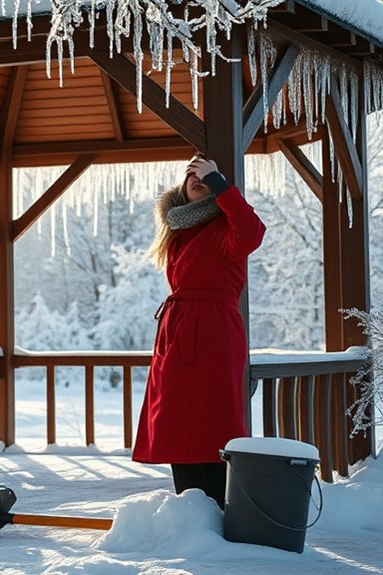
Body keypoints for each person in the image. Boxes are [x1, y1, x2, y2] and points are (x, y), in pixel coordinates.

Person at [132, 155, 266, 510]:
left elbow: (253, 231)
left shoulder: (226, 230)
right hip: (176, 334)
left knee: (213, 420)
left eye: (207, 175)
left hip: (213, 333)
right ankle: (188, 509)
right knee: (177, 422)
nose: (197, 179)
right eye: (191, 174)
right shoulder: (177, 231)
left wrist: (222, 185)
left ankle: (220, 508)